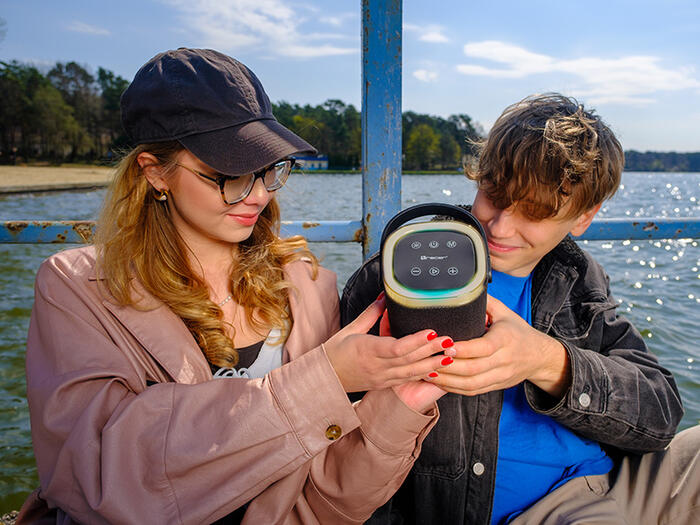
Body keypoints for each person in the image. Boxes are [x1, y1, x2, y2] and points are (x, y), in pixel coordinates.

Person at [17, 48, 456, 524]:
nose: (260, 193)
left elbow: (331, 498)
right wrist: (325, 381)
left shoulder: (307, 285)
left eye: (268, 168)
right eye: (230, 174)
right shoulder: (77, 289)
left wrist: (399, 405)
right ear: (154, 171)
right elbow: (97, 474)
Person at [341, 93, 699, 524]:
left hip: (607, 483)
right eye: (494, 194)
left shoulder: (578, 275)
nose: (500, 226)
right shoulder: (396, 277)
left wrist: (546, 361)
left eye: (536, 211)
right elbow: (340, 451)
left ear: (583, 217)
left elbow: (660, 413)